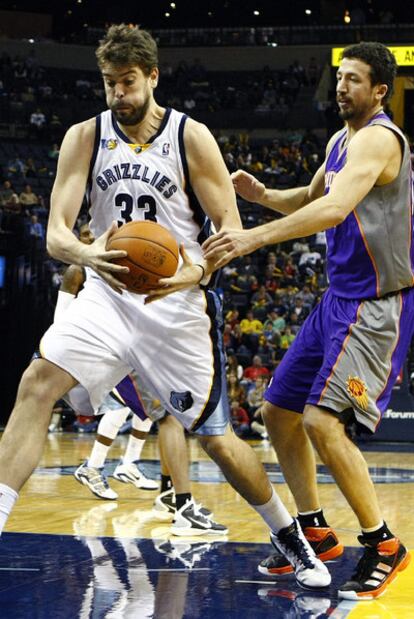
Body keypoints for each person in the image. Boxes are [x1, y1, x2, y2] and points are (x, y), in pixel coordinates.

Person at [0, 24, 329, 589]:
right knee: (35, 383)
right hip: (107, 293)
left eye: (127, 82)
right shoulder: (84, 135)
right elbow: (56, 234)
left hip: (176, 306)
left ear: (152, 76)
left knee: (217, 440)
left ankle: (288, 535)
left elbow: (228, 228)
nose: (117, 95)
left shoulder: (190, 136)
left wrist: (189, 275)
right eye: (108, 83)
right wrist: (87, 253)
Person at [203, 42, 412, 599]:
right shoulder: (341, 140)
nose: (342, 87)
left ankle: (384, 543)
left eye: (354, 80)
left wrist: (250, 238)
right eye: (339, 78)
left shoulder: (379, 140)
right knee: (277, 412)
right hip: (335, 300)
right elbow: (312, 195)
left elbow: (333, 210)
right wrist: (263, 195)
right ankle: (315, 532)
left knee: (322, 422)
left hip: (374, 305)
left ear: (380, 91)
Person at [56, 223, 222, 533]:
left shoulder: (121, 260)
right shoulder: (77, 271)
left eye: (93, 235)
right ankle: (98, 469)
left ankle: (138, 472)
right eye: (87, 236)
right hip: (100, 346)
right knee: (152, 414)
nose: (92, 239)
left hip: (130, 341)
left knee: (153, 413)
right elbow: (61, 319)